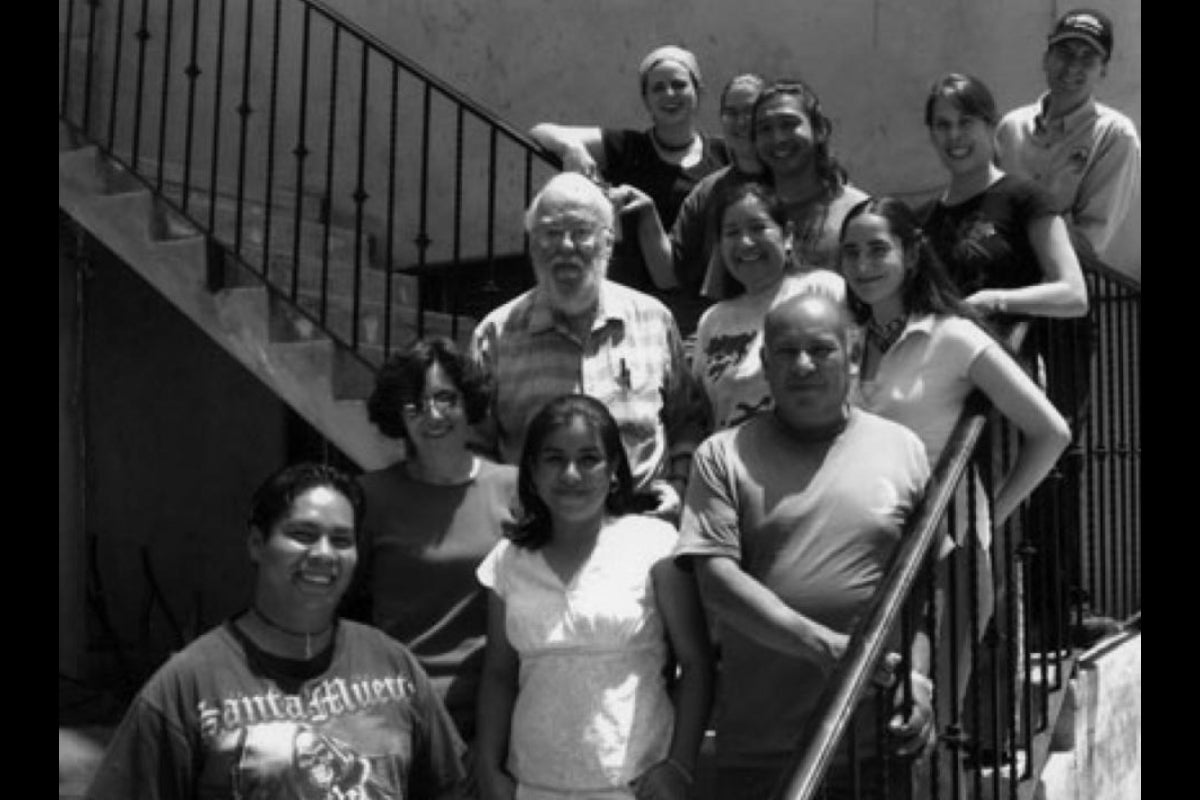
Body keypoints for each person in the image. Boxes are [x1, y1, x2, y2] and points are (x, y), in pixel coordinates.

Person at [675, 293, 937, 799]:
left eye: (820, 349)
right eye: (785, 351)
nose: (802, 365)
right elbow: (718, 584)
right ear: (766, 367)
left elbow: (924, 586)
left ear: (852, 357)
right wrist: (828, 648)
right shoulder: (722, 455)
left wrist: (920, 678)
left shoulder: (902, 449)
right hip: (762, 748)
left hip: (876, 744)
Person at [840, 196, 1073, 756]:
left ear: (912, 253)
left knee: (919, 725)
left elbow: (1051, 432)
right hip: (862, 545)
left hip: (943, 554)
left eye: (878, 249)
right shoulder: (846, 341)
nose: (863, 264)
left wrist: (994, 511)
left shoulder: (951, 337)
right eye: (851, 252)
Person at [85, 462, 469, 799]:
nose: (323, 554)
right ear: (256, 543)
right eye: (303, 534)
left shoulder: (393, 665)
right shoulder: (188, 686)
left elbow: (450, 788)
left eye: (341, 540)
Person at [474, 394, 714, 799]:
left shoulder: (654, 544)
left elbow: (696, 663)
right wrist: (488, 768)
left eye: (589, 459)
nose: (571, 474)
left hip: (634, 785)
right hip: (530, 786)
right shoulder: (508, 560)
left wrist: (678, 766)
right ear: (531, 471)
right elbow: (498, 673)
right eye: (553, 458)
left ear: (614, 468)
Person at [470, 172, 705, 522]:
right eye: (551, 233)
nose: (566, 246)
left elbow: (687, 420)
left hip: (642, 528)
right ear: (533, 244)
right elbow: (474, 445)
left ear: (607, 244)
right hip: (538, 537)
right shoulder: (495, 336)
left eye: (581, 232)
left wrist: (680, 483)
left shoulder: (653, 321)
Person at [344, 337, 519, 745]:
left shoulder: (512, 489)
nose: (433, 415)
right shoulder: (369, 497)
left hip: (492, 714)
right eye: (415, 405)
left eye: (446, 398)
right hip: (394, 713)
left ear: (468, 403)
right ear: (397, 416)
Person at [529, 44, 729, 324]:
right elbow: (541, 131)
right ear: (646, 100)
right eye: (658, 88)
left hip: (706, 304)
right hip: (638, 299)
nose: (669, 94)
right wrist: (571, 148)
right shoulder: (629, 148)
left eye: (679, 85)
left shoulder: (724, 154)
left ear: (699, 92)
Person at [919, 72, 1089, 321]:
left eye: (965, 122)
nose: (954, 135)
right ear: (932, 135)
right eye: (943, 125)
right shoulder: (921, 220)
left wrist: (995, 301)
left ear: (991, 126)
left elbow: (1074, 296)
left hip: (1010, 355)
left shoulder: (1026, 199)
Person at [626, 72, 770, 338]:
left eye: (750, 112)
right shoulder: (709, 190)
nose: (740, 122)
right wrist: (647, 213)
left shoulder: (791, 179)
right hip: (726, 333)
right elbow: (669, 275)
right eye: (731, 112)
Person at [692, 181, 844, 431]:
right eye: (731, 233)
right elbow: (702, 409)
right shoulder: (713, 320)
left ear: (788, 235)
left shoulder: (823, 290)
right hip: (735, 464)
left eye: (758, 228)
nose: (746, 243)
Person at [701, 77, 867, 304]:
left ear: (820, 130)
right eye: (765, 129)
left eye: (789, 124)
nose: (778, 138)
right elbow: (721, 305)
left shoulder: (856, 212)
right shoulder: (742, 214)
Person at [995, 8, 1140, 265]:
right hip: (997, 278)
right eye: (1065, 53)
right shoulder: (1010, 127)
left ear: (1103, 70)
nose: (1073, 66)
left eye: (1088, 58)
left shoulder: (1115, 136)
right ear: (1045, 59)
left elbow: (1089, 241)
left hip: (1060, 289)